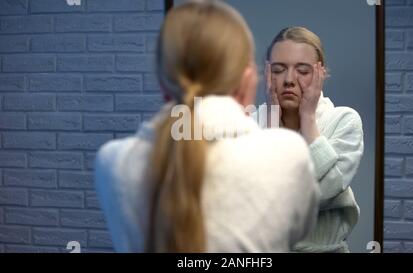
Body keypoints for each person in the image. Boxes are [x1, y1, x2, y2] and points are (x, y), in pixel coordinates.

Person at [95, 0, 320, 253]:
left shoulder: (112, 162)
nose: (289, 80)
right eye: (278, 69)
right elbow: (297, 231)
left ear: (162, 82)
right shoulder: (288, 154)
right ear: (246, 79)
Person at [264, 26, 364, 253]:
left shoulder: (344, 120)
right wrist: (271, 123)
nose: (289, 80)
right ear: (268, 74)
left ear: (321, 74)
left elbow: (325, 193)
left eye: (303, 70)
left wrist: (307, 118)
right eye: (279, 70)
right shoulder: (251, 123)